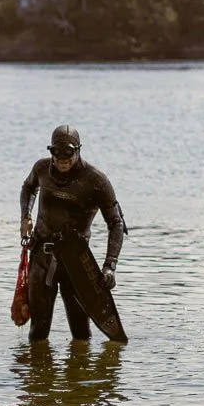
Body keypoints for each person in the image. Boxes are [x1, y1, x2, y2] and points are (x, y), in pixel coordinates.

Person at [19, 125, 127, 342]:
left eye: (68, 154)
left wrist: (110, 266)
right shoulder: (41, 169)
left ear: (78, 150)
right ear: (51, 152)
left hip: (76, 265)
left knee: (81, 334)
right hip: (42, 256)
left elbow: (116, 223)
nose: (62, 160)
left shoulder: (95, 180)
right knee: (38, 333)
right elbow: (28, 188)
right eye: (56, 154)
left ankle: (81, 373)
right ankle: (39, 374)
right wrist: (26, 216)